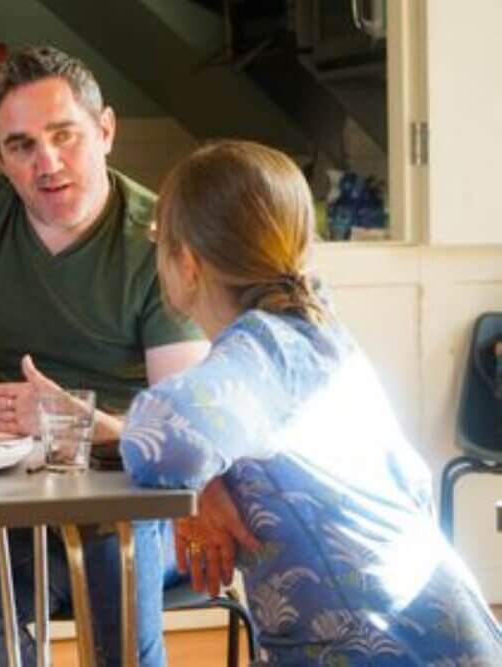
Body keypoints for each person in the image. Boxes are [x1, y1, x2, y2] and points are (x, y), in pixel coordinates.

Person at [121, 139, 502, 665]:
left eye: (157, 239)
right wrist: (207, 482)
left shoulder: (263, 352)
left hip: (378, 648)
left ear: (187, 263)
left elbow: (158, 439)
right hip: (432, 631)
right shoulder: (310, 330)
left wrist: (199, 480)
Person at [0, 45, 210, 666]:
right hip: (5, 492)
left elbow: (180, 442)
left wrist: (70, 421)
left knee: (116, 600)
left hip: (128, 497)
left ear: (104, 131)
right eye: (22, 145)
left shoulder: (162, 240)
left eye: (65, 136)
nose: (47, 163)